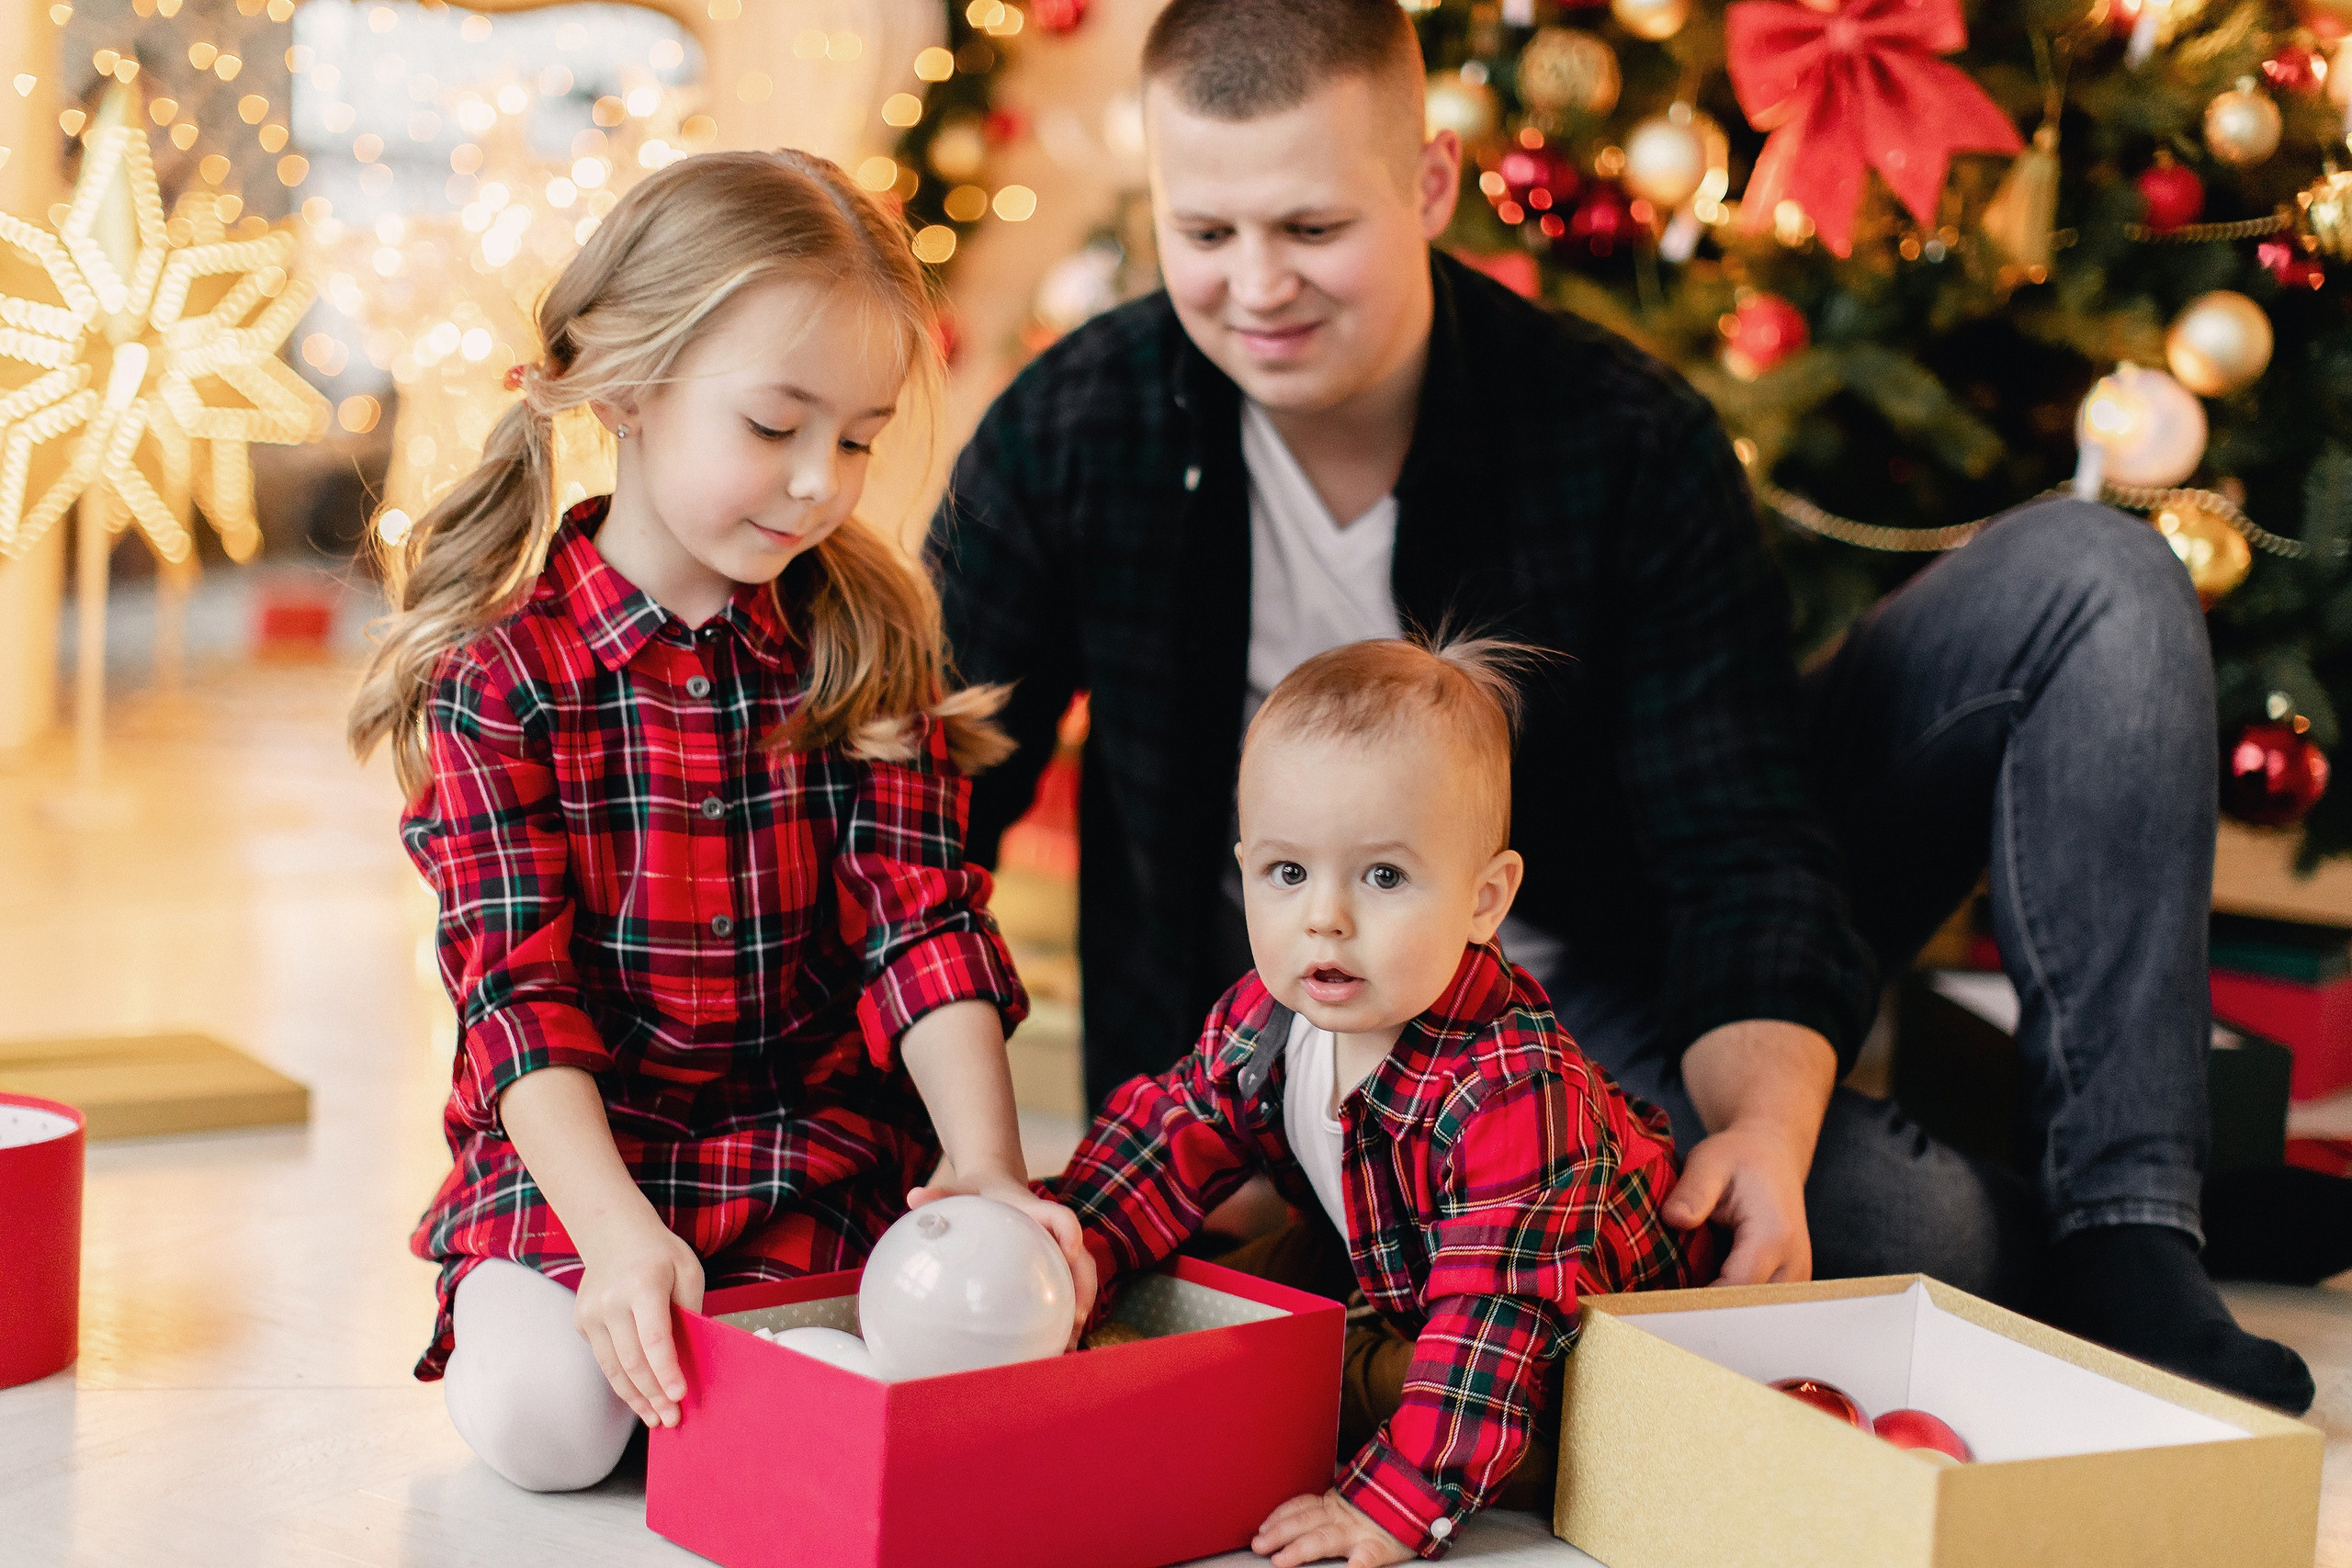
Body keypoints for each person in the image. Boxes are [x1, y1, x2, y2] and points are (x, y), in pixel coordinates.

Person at [930, 0, 2314, 1413]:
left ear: (1429, 185)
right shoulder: (1072, 427)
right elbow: (921, 812)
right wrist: (961, 1146)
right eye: (1205, 234)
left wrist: (1765, 1131)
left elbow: (1739, 838)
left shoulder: (1616, 431)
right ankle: (2095, 1219)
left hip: (1593, 1021)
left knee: (2100, 567)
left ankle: (2132, 1227)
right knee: (1925, 1231)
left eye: (1311, 229)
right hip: (1299, 1044)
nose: (1257, 287)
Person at [350, 151, 1093, 1493]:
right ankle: (640, 1329)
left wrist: (987, 1165)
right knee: (545, 1425)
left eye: (859, 438)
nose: (820, 482)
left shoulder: (862, 641)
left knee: (974, 1308)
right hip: (582, 1160)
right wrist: (619, 1235)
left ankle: (752, 1346)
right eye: (774, 426)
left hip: (806, 1147)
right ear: (629, 387)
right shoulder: (503, 676)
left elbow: (923, 925)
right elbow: (518, 998)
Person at [1050, 637, 1715, 1567]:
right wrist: (1072, 1240)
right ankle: (1155, 1355)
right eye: (1287, 874)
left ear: (1484, 900)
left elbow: (1495, 1324)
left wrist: (1393, 1506)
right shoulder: (1270, 1014)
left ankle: (1313, 1418)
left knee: (1342, 1385)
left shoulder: (1511, 1089)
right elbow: (1171, 1132)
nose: (1324, 917)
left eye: (1384, 877)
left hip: (1569, 1340)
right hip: (1390, 1257)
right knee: (1213, 1289)